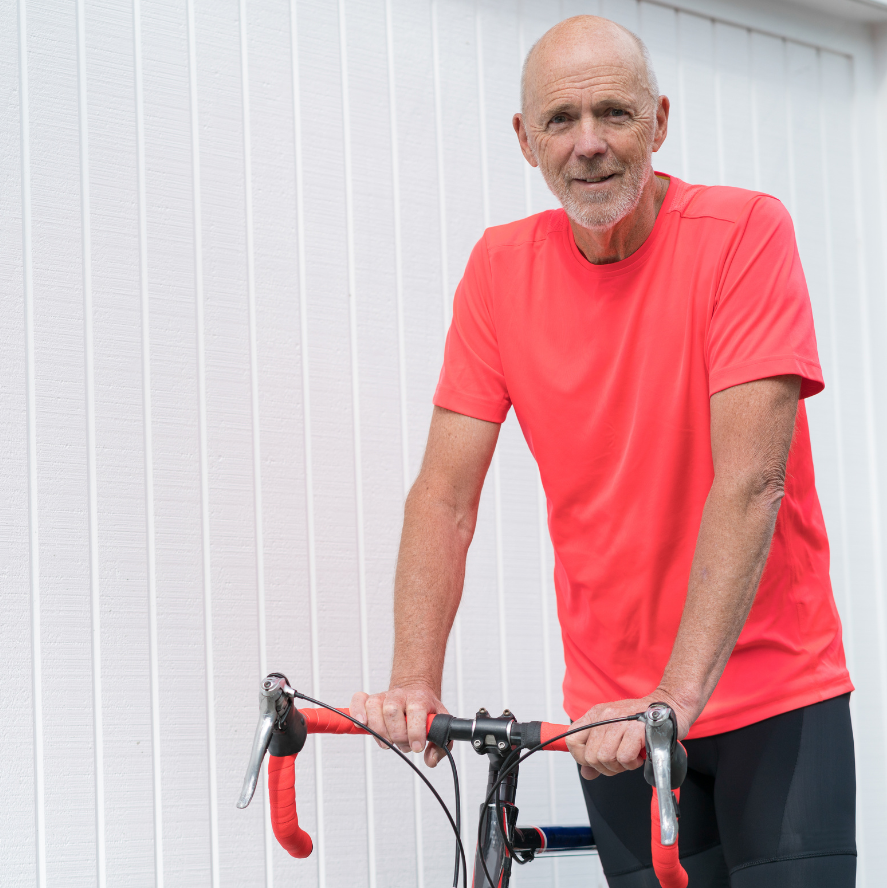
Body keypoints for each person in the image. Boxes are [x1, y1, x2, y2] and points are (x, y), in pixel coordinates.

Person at [351, 15, 856, 887]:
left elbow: (750, 483)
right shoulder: (498, 272)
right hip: (612, 717)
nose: (587, 143)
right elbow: (444, 496)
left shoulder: (741, 233)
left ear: (657, 123)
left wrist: (674, 699)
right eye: (560, 119)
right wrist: (413, 681)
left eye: (614, 113)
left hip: (772, 692)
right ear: (526, 140)